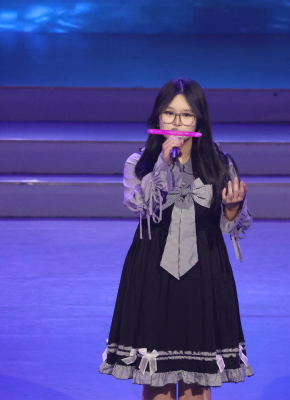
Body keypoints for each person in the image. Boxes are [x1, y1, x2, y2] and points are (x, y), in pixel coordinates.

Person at [99, 78, 253, 400]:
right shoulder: (139, 163)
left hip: (204, 268)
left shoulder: (220, 164)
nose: (177, 123)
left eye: (187, 115)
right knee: (158, 376)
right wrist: (164, 163)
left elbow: (232, 226)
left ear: (199, 120)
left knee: (198, 378)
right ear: (158, 117)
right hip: (154, 267)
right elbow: (142, 207)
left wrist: (232, 209)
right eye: (169, 114)